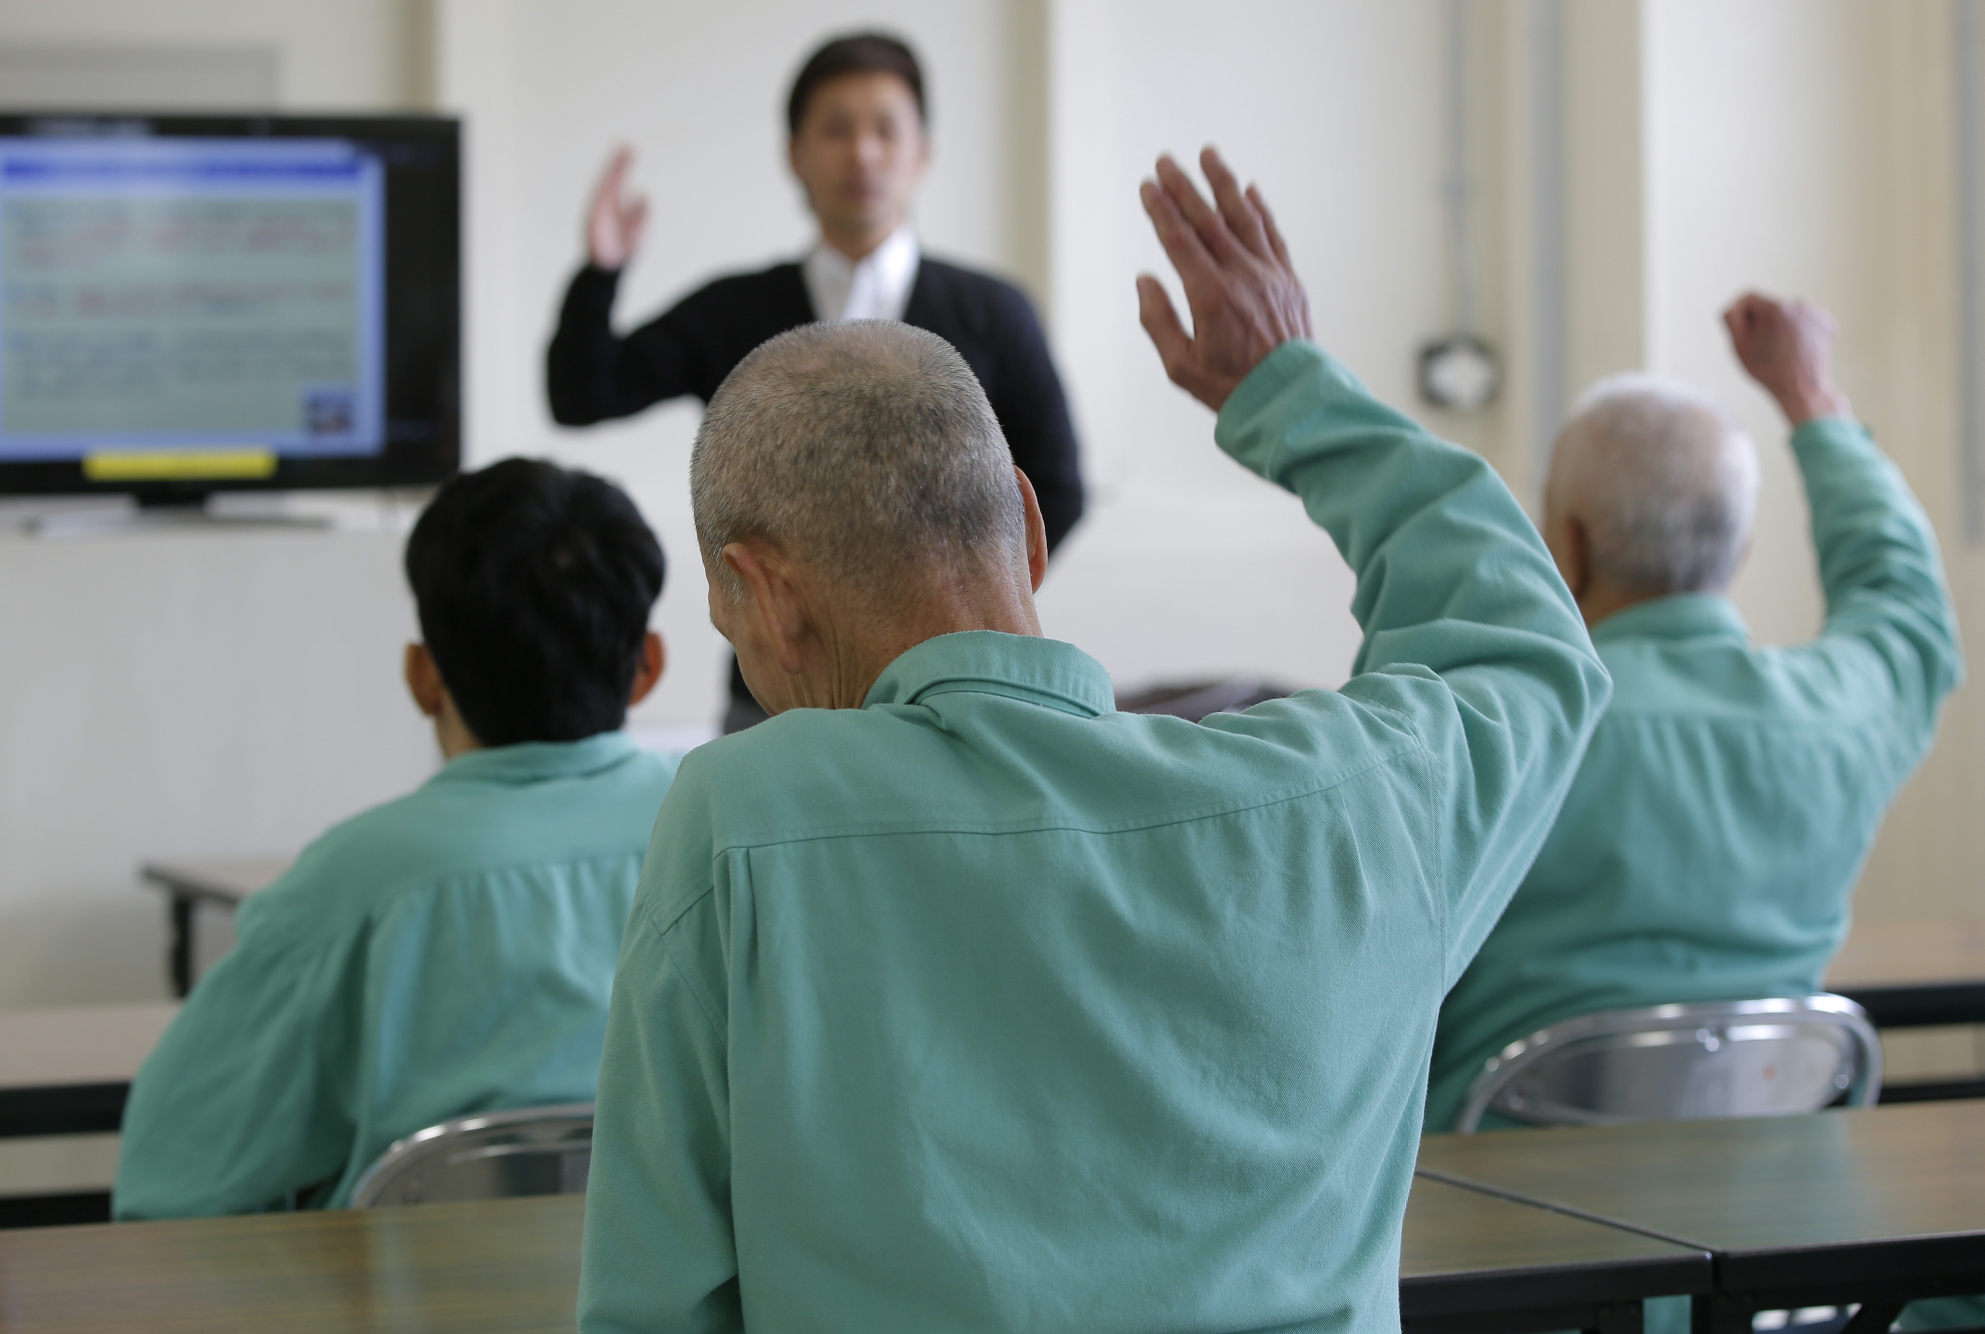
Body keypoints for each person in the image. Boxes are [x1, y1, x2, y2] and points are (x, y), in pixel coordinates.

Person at [575, 148, 1609, 1334]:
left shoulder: (741, 823)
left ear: (761, 593)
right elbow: (1526, 644)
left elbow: (652, 1305)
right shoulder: (1346, 802)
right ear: (1024, 520)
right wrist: (1288, 386)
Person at [1425, 296, 1962, 1137]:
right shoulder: (1838, 719)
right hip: (1767, 1229)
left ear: (1563, 544)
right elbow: (1908, 605)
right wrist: (1809, 399)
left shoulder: (1492, 734)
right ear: (1740, 549)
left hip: (1504, 1230)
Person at [115, 459, 678, 1218]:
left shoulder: (352, 888)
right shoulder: (740, 841)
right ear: (648, 667)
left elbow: (168, 1196)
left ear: (422, 677)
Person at [545, 31, 1085, 733]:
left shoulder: (993, 313)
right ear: (795, 154)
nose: (861, 152)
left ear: (921, 153)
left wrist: (969, 593)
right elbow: (582, 394)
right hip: (775, 688)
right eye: (835, 129)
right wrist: (600, 273)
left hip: (960, 684)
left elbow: (1058, 487)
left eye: (885, 129)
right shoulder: (734, 310)